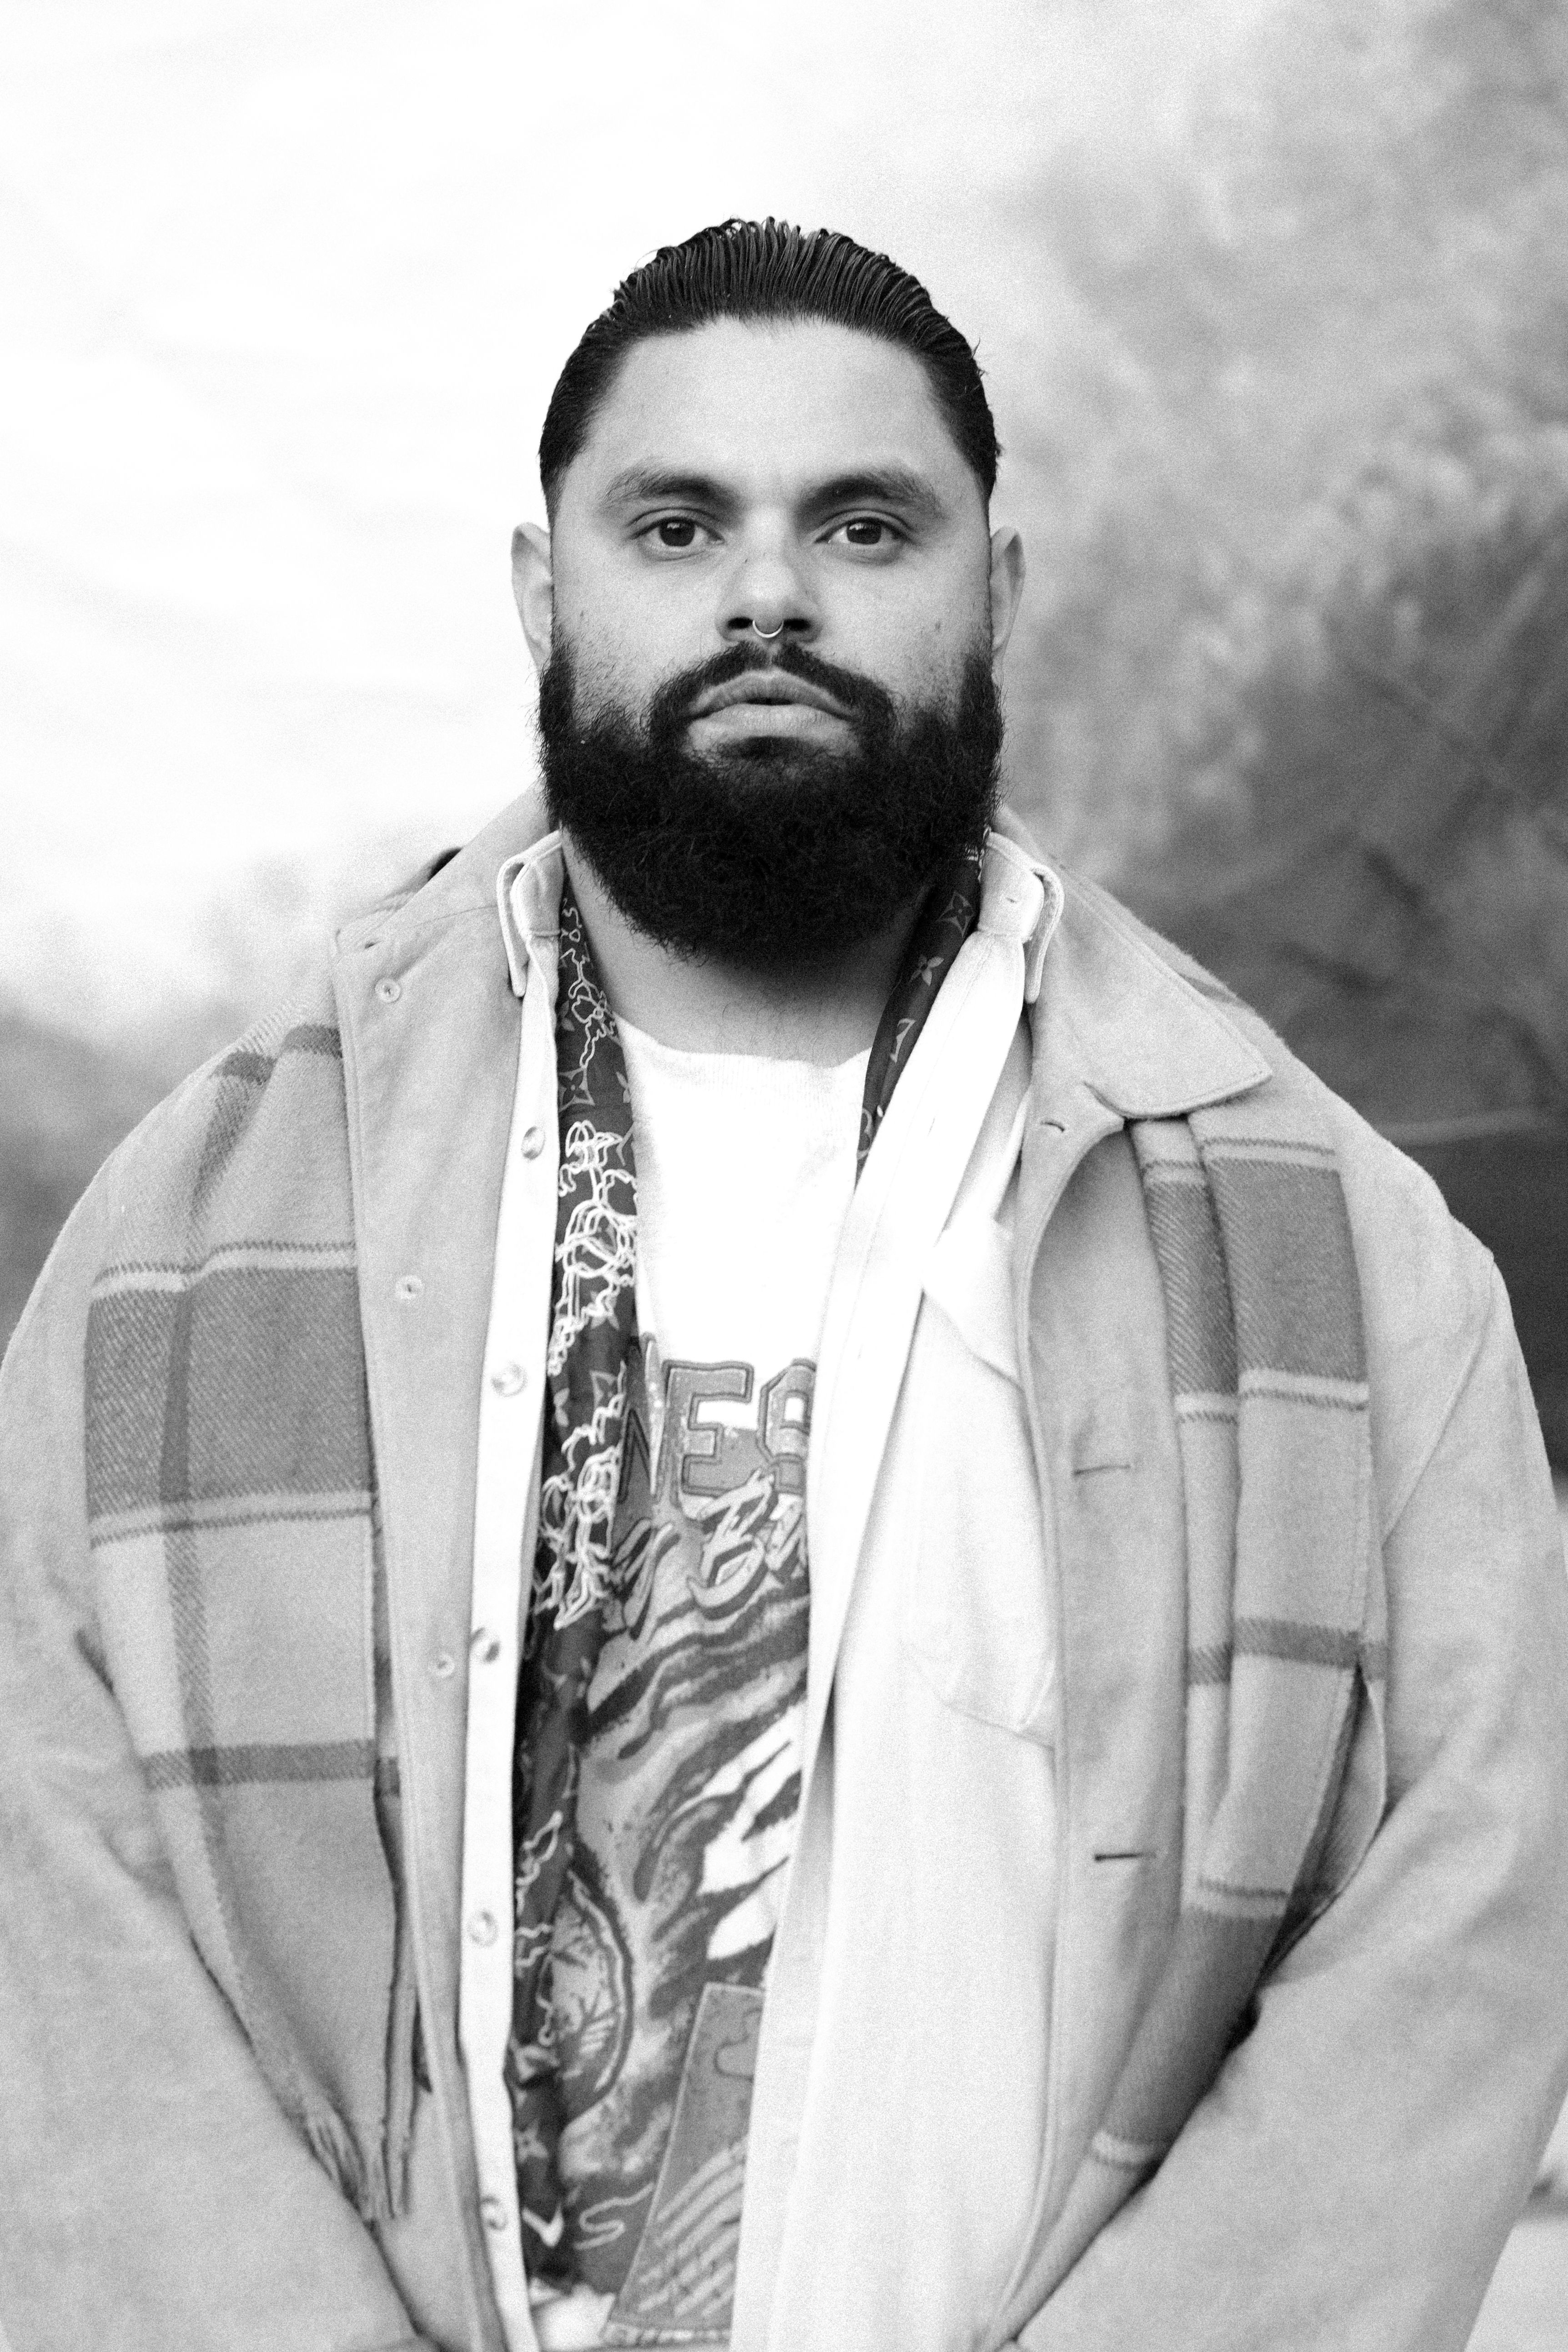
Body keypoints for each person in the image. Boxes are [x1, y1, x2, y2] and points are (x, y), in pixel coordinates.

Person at [1, 217, 1566, 2352]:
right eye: (675, 522)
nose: (768, 590)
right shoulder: (191, 1248)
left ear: (993, 594)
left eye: (863, 522)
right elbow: (60, 1934)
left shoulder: (1335, 1255)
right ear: (545, 594)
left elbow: (1472, 1914)